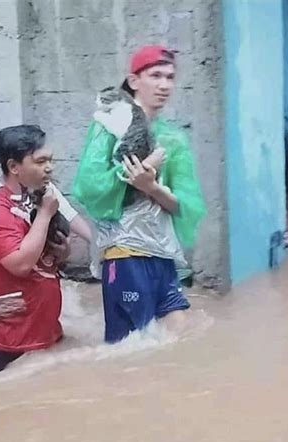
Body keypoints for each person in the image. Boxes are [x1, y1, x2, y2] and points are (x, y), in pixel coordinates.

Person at [73, 45, 205, 343]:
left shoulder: (172, 138)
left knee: (180, 336)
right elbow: (89, 186)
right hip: (125, 254)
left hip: (162, 254)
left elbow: (184, 205)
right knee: (131, 350)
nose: (164, 85)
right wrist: (137, 173)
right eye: (156, 75)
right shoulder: (109, 125)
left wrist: (152, 187)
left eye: (170, 77)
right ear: (134, 81)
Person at [0, 125, 70, 373]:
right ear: (14, 167)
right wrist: (45, 215)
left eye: (50, 160)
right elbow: (20, 264)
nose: (49, 167)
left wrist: (63, 252)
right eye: (39, 161)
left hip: (48, 331)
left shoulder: (40, 196)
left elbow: (47, 256)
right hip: (10, 341)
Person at [0, 174, 91, 266]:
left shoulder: (44, 187)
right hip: (14, 269)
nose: (47, 168)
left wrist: (96, 243)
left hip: (42, 269)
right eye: (39, 161)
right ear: (14, 166)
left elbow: (69, 215)